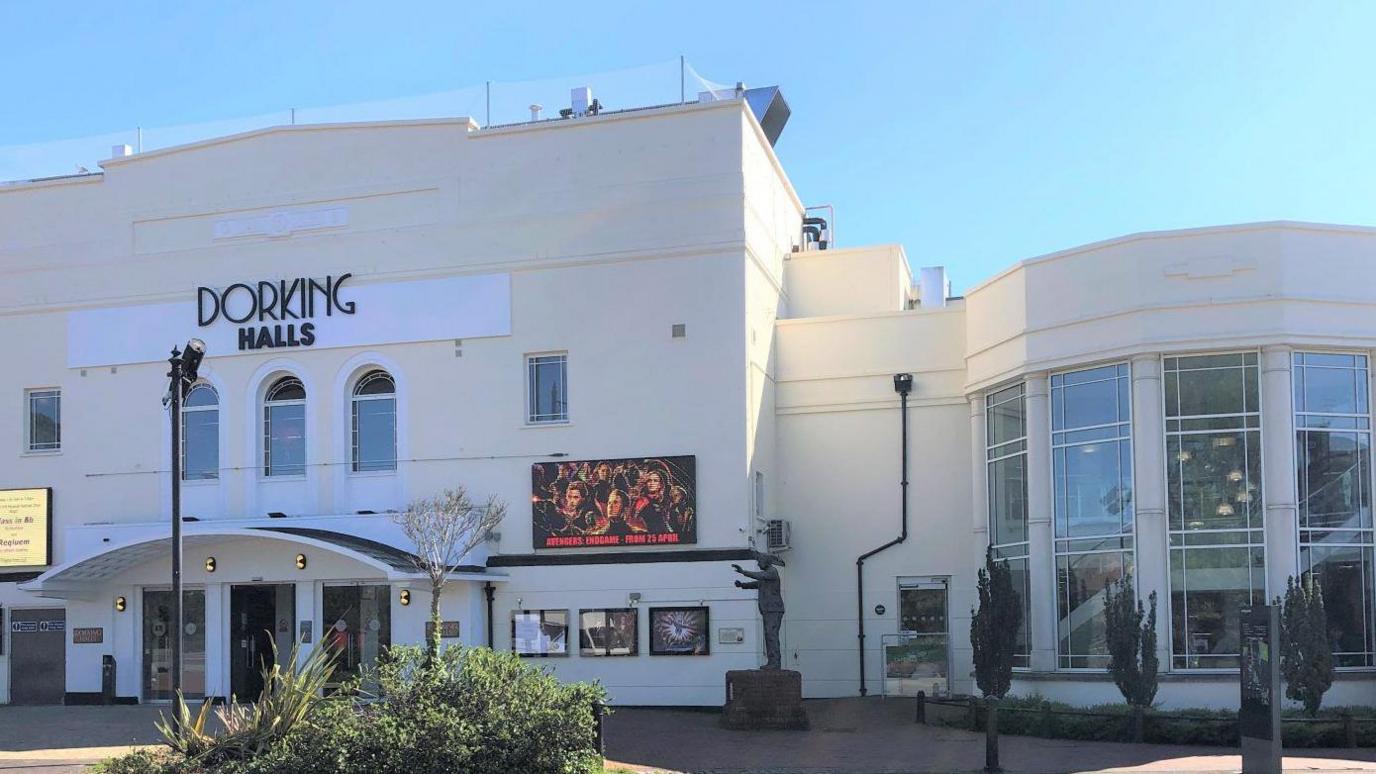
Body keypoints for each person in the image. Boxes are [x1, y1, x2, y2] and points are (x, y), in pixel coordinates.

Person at [632, 460, 673, 534]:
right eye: (649, 481)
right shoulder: (642, 501)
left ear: (660, 484)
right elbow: (634, 520)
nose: (651, 483)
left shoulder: (663, 501)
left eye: (655, 480)